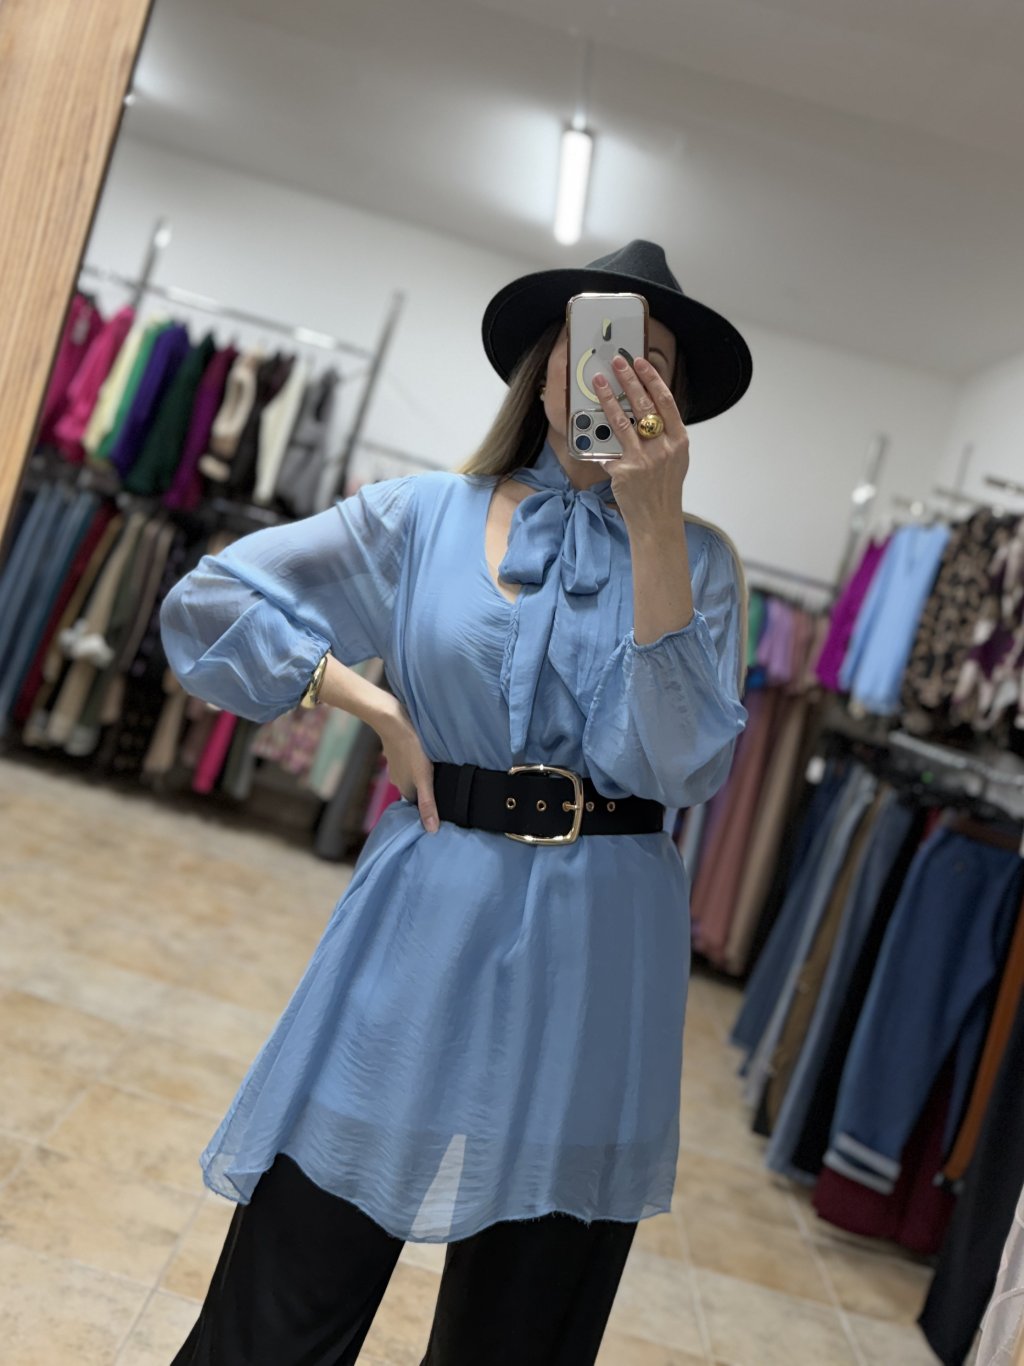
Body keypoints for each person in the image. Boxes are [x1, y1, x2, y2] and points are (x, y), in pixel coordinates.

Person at [161, 238, 752, 1366]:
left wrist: (655, 524)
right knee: (295, 1268)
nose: (619, 377)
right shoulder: (422, 516)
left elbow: (681, 766)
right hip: (429, 901)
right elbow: (212, 600)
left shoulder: (703, 564)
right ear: (543, 368)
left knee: (526, 1320)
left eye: (651, 365)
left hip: (603, 941)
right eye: (597, 349)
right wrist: (366, 702)